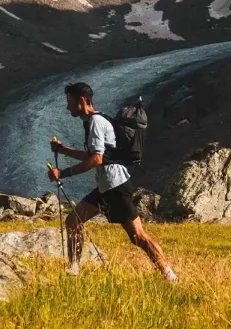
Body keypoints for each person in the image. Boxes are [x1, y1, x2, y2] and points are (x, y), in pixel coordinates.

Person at [48, 82, 177, 281]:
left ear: (82, 101)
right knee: (73, 221)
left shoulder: (95, 123)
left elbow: (96, 159)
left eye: (70, 102)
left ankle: (170, 275)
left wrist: (63, 173)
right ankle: (72, 272)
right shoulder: (95, 120)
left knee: (138, 237)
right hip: (107, 186)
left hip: (115, 186)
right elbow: (96, 155)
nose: (68, 107)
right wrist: (63, 150)